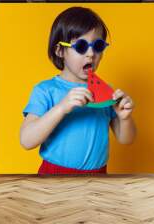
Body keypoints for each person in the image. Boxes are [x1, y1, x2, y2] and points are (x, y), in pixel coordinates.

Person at [20, 7, 136, 175]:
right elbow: (26, 141)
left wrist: (125, 118)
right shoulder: (45, 90)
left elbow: (126, 139)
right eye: (81, 46)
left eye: (98, 45)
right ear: (60, 50)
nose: (91, 54)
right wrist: (61, 108)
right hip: (55, 174)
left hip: (98, 175)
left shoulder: (107, 92)